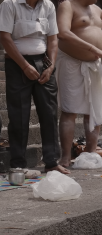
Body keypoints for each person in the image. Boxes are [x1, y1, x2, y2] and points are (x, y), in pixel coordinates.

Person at [0, 0, 69, 174]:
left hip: (44, 61)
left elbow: (52, 39)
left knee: (49, 112)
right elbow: (5, 38)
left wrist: (51, 66)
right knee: (18, 115)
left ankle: (51, 161)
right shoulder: (9, 4)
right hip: (16, 63)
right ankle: (18, 164)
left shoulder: (48, 6)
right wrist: (24, 66)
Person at [56, 0, 102, 167]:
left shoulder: (97, 9)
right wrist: (92, 48)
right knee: (70, 110)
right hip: (71, 61)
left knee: (94, 110)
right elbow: (62, 32)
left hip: (95, 64)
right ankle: (66, 157)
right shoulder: (67, 5)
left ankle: (91, 154)